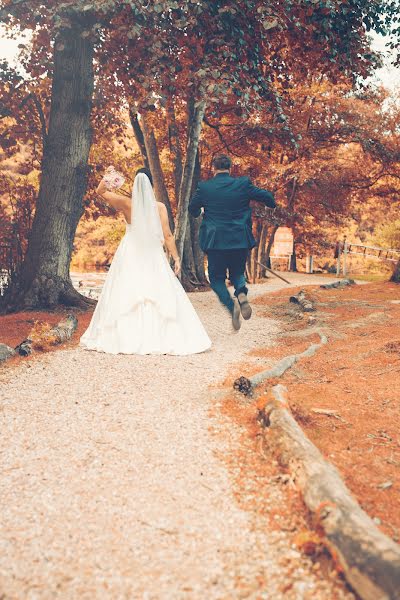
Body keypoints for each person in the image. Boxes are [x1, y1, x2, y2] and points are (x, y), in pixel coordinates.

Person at [80, 168, 211, 355]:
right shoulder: (159, 208)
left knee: (128, 289)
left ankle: (126, 337)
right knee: (156, 289)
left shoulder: (126, 203)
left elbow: (100, 191)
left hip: (130, 252)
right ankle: (159, 337)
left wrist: (110, 177)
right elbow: (167, 235)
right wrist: (176, 258)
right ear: (151, 185)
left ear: (135, 184)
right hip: (152, 253)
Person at [189, 155, 276, 330]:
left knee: (216, 279)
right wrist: (271, 204)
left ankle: (232, 307)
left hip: (216, 241)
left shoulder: (205, 188)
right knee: (237, 272)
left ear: (214, 168)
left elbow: (193, 209)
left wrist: (200, 212)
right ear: (230, 168)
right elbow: (266, 196)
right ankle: (242, 293)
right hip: (239, 238)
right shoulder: (242, 184)